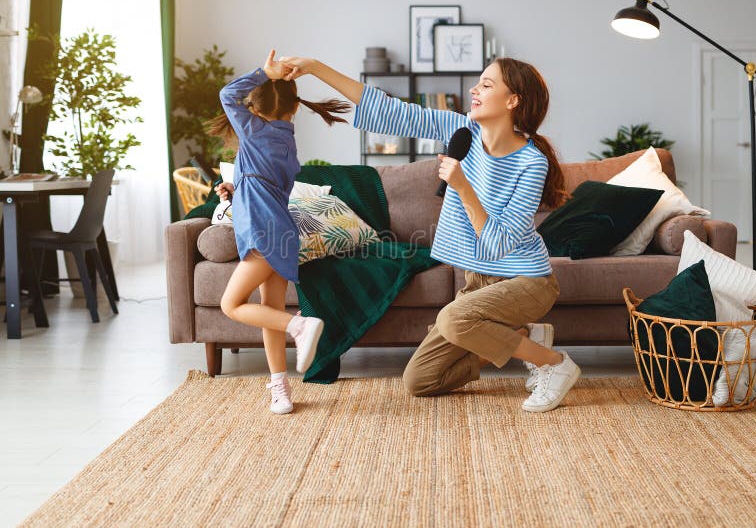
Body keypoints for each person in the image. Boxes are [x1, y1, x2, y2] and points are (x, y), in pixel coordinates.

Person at [278, 55, 580, 413]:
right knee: (420, 380)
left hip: (524, 280)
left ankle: (553, 364)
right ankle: (524, 340)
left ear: (513, 100)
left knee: (453, 319)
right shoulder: (461, 132)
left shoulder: (532, 163)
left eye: (486, 84)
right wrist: (314, 67)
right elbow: (389, 111)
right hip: (479, 283)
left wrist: (463, 187)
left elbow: (498, 243)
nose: (474, 88)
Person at [208, 50, 351, 414]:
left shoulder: (255, 132)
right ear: (295, 110)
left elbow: (227, 95)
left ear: (253, 112)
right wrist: (235, 190)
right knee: (267, 308)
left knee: (231, 304)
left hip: (264, 231)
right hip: (279, 231)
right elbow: (263, 187)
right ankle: (280, 388)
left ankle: (300, 327)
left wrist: (263, 71)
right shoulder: (285, 141)